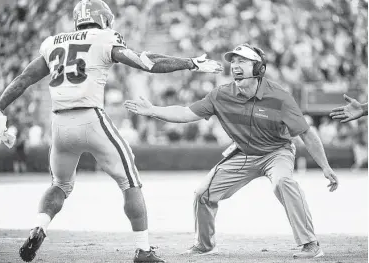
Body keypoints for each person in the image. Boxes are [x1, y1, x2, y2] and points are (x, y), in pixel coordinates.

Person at [0, 0, 223, 262]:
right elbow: (146, 63)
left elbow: (23, 78)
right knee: (130, 183)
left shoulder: (53, 42)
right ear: (103, 19)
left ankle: (39, 227)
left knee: (59, 185)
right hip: (91, 119)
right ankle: (143, 250)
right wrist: (190, 63)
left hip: (59, 125)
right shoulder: (103, 37)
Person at [124, 44, 339, 259]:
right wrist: (153, 110)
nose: (235, 65)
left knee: (284, 182)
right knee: (202, 194)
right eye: (233, 61)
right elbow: (186, 113)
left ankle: (310, 244)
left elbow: (307, 134)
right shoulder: (221, 95)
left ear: (259, 69)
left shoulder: (280, 97)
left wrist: (326, 167)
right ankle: (205, 245)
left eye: (242, 61)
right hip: (243, 153)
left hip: (277, 152)